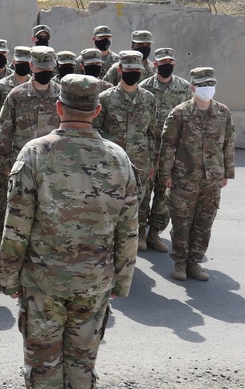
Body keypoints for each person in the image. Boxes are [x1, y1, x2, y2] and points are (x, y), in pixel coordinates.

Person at [0, 74, 139, 389]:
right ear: (97, 109)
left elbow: (17, 223)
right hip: (94, 281)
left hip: (44, 280)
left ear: (59, 107)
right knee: (82, 357)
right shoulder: (118, 157)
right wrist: (121, 280)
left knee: (44, 355)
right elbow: (129, 229)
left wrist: (8, 275)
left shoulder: (36, 152)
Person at [159, 67, 235, 282]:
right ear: (193, 88)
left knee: (204, 222)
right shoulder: (179, 113)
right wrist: (166, 175)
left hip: (212, 179)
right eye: (202, 85)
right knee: (182, 222)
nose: (207, 89)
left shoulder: (223, 113)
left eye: (210, 84)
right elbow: (168, 146)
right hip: (184, 178)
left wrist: (226, 173)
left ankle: (194, 262)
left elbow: (229, 143)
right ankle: (180, 263)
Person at [0, 46, 60, 235]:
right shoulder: (17, 95)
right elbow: (4, 129)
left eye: (49, 68)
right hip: (21, 161)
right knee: (16, 204)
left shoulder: (61, 95)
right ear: (32, 66)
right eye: (41, 68)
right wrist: (4, 163)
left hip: (51, 162)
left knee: (47, 205)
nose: (45, 72)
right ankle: (7, 235)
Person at [94, 51, 157, 249]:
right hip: (111, 164)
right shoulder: (105, 98)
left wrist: (152, 163)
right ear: (120, 70)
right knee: (108, 206)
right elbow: (95, 131)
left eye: (137, 70)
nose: (133, 73)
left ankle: (129, 244)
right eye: (129, 70)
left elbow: (152, 133)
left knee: (134, 206)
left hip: (139, 163)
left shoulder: (148, 99)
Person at [139, 47, 191, 252]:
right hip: (149, 149)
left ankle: (154, 233)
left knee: (165, 195)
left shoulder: (183, 87)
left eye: (170, 61)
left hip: (171, 151)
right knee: (144, 193)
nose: (166, 65)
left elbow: (188, 117)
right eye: (162, 62)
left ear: (174, 64)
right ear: (155, 64)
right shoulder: (144, 87)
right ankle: (140, 233)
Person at [0, 45, 31, 228]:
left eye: (27, 62)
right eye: (20, 62)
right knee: (2, 189)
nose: (23, 65)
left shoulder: (36, 88)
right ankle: (0, 227)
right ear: (13, 62)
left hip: (30, 149)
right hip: (4, 146)